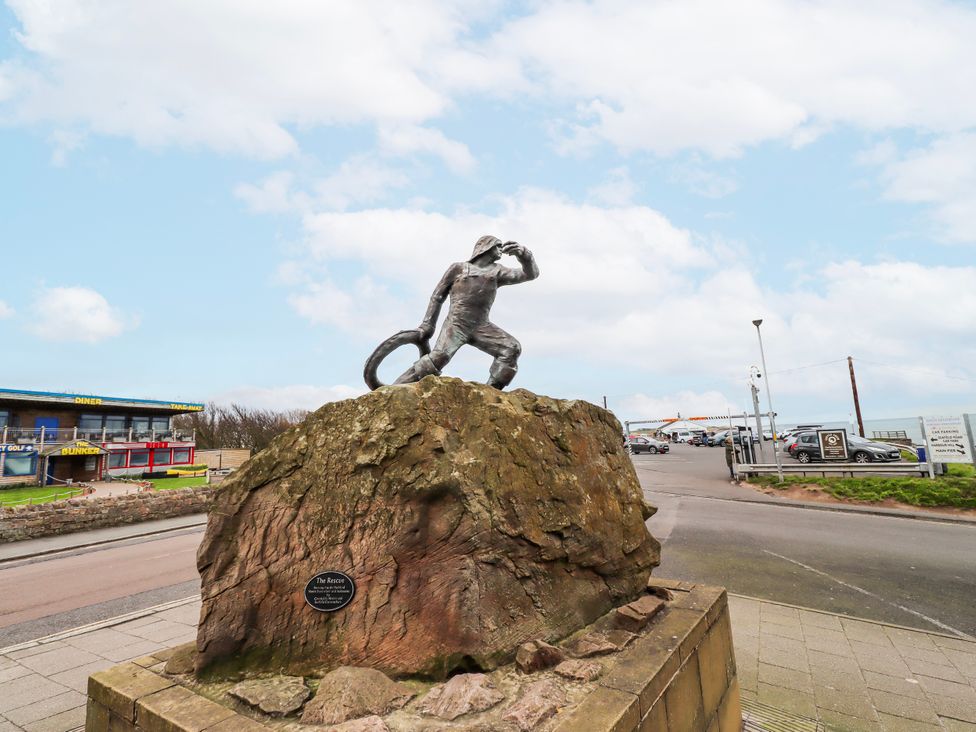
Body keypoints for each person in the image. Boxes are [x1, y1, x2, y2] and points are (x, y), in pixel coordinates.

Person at [395, 235, 540, 389]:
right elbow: (437, 296)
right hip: (456, 324)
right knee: (439, 357)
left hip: (481, 326)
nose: (501, 250)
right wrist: (427, 325)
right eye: (497, 246)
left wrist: (525, 255)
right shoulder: (458, 268)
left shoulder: (498, 271)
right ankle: (393, 388)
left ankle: (490, 392)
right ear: (486, 248)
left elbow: (530, 274)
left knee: (511, 349)